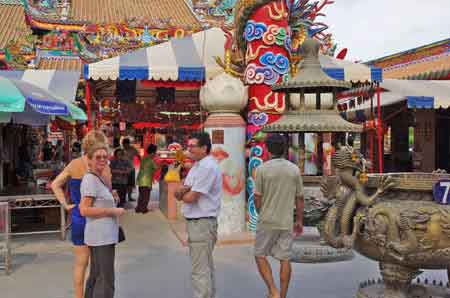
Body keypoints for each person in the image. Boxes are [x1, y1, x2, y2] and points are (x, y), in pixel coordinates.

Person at [51, 131, 113, 298]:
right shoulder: (102, 166)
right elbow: (107, 190)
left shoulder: (74, 164)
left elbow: (55, 184)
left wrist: (66, 204)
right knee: (98, 267)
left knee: (80, 264)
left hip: (79, 218)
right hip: (97, 219)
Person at [253, 134, 304, 298]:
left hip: (267, 220)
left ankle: (273, 291)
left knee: (260, 255)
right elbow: (300, 198)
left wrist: (262, 212)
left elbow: (257, 197)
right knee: (285, 258)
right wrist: (299, 220)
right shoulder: (294, 169)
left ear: (267, 149)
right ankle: (282, 296)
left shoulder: (262, 169)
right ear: (285, 150)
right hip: (286, 221)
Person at [175, 132, 222, 298]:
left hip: (201, 224)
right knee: (204, 268)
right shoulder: (197, 166)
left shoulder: (207, 167)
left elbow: (190, 197)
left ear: (204, 148)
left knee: (200, 271)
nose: (189, 150)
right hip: (197, 224)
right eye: (188, 146)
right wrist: (183, 192)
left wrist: (183, 193)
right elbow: (180, 190)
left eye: (192, 146)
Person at [79, 140, 125, 298]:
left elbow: (96, 201)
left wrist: (112, 198)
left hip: (102, 236)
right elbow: (84, 209)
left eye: (105, 157)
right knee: (105, 279)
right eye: (98, 157)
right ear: (89, 159)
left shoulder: (98, 179)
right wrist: (111, 210)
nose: (102, 160)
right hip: (100, 236)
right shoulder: (90, 179)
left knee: (97, 275)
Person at [135, 144, 159, 213]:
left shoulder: (144, 158)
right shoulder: (150, 161)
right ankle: (143, 209)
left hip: (141, 180)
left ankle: (138, 208)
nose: (156, 154)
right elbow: (156, 168)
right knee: (146, 196)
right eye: (155, 152)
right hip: (146, 181)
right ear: (152, 153)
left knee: (141, 195)